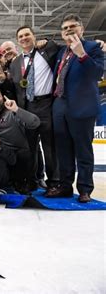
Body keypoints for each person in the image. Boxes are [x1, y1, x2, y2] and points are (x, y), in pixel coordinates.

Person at [47, 14, 104, 203]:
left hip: (82, 107)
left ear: (82, 29)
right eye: (65, 28)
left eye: (73, 26)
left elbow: (97, 73)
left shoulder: (93, 47)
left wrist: (82, 54)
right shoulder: (61, 51)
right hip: (60, 105)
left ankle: (85, 189)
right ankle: (65, 186)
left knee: (83, 150)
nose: (69, 30)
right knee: (63, 150)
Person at [9, 25, 61, 192]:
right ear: (17, 41)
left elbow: (58, 46)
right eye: (21, 36)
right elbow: (17, 87)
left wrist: (47, 41)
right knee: (30, 147)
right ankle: (31, 180)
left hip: (46, 104)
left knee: (49, 146)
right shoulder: (15, 63)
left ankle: (54, 182)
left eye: (27, 35)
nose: (24, 38)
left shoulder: (46, 50)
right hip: (27, 107)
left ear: (34, 36)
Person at [0, 87, 40, 193]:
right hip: (0, 154)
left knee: (24, 154)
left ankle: (23, 181)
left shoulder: (12, 111)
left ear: (3, 97)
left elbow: (35, 122)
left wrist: (17, 110)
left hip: (17, 156)